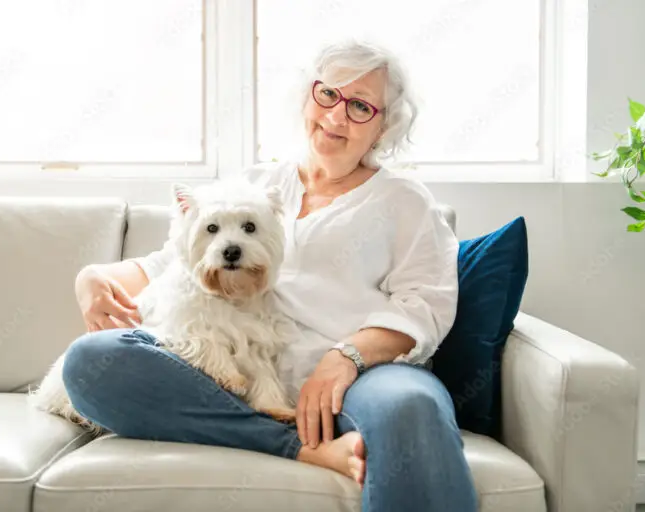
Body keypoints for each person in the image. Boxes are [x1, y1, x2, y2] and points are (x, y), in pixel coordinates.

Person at [62, 39, 478, 512]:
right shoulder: (261, 182)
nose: (337, 116)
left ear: (384, 125)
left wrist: (345, 357)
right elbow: (178, 261)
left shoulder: (405, 200)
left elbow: (425, 304)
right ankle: (299, 446)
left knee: (412, 407)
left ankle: (309, 429)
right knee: (91, 361)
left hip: (362, 377)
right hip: (243, 379)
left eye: (360, 106)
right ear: (307, 97)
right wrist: (94, 276)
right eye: (328, 94)